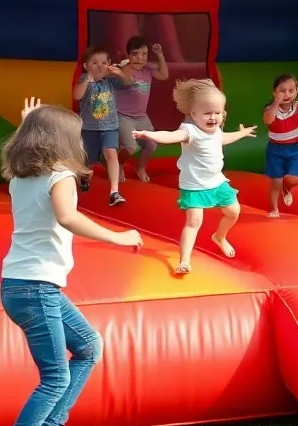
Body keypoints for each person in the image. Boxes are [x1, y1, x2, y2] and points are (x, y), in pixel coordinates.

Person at [0, 97, 143, 426]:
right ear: (64, 141)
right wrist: (119, 237)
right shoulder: (60, 175)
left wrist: (28, 122)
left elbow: (16, 161)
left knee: (89, 345)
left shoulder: (20, 177)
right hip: (36, 288)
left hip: (23, 286)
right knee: (56, 377)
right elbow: (68, 217)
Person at [133, 79, 255, 275]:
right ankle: (184, 261)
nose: (213, 117)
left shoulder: (216, 130)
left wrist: (241, 133)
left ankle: (219, 237)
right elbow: (171, 136)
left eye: (217, 113)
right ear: (193, 114)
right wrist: (149, 134)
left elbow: (223, 138)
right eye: (207, 113)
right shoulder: (189, 131)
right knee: (193, 222)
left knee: (234, 212)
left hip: (217, 181)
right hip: (195, 185)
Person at [72, 46, 133, 206]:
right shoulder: (85, 80)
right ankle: (84, 176)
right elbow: (77, 95)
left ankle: (114, 192)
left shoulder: (111, 81)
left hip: (110, 127)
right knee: (87, 161)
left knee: (111, 154)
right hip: (89, 129)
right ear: (86, 66)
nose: (100, 66)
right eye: (94, 63)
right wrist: (87, 79)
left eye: (104, 63)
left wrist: (119, 72)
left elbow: (128, 83)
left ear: (109, 64)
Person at [262, 74, 298, 218]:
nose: (287, 94)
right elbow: (268, 120)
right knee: (276, 182)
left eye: (291, 90)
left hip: (294, 148)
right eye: (282, 91)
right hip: (275, 149)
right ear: (274, 92)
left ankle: (286, 188)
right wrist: (276, 103)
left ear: (297, 91)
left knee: (295, 179)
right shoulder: (271, 108)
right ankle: (274, 209)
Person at [115, 38, 169, 183]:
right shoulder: (123, 70)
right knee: (131, 147)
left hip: (141, 116)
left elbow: (164, 75)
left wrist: (160, 54)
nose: (140, 58)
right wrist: (125, 65)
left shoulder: (148, 70)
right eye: (135, 54)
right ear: (127, 55)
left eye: (144, 54)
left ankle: (140, 167)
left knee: (152, 144)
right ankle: (117, 163)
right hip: (123, 116)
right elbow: (125, 81)